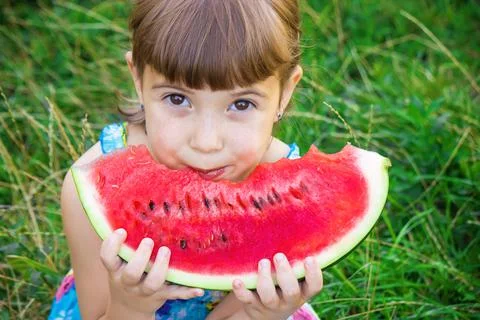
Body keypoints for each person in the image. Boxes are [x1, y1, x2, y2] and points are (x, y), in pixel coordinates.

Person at [48, 0, 324, 319]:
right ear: (138, 80)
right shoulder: (88, 189)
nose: (206, 143)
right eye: (177, 99)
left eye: (242, 104)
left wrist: (262, 313)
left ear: (285, 92)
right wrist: (129, 304)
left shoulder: (291, 196)